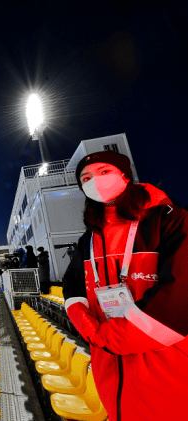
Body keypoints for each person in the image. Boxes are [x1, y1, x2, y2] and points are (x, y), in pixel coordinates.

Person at [62, 150, 188, 421]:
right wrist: (89, 329)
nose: (94, 181)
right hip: (111, 374)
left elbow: (178, 301)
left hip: (168, 371)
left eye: (104, 171)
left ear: (125, 176)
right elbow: (72, 288)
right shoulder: (90, 239)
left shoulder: (170, 221)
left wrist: (108, 337)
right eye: (85, 177)